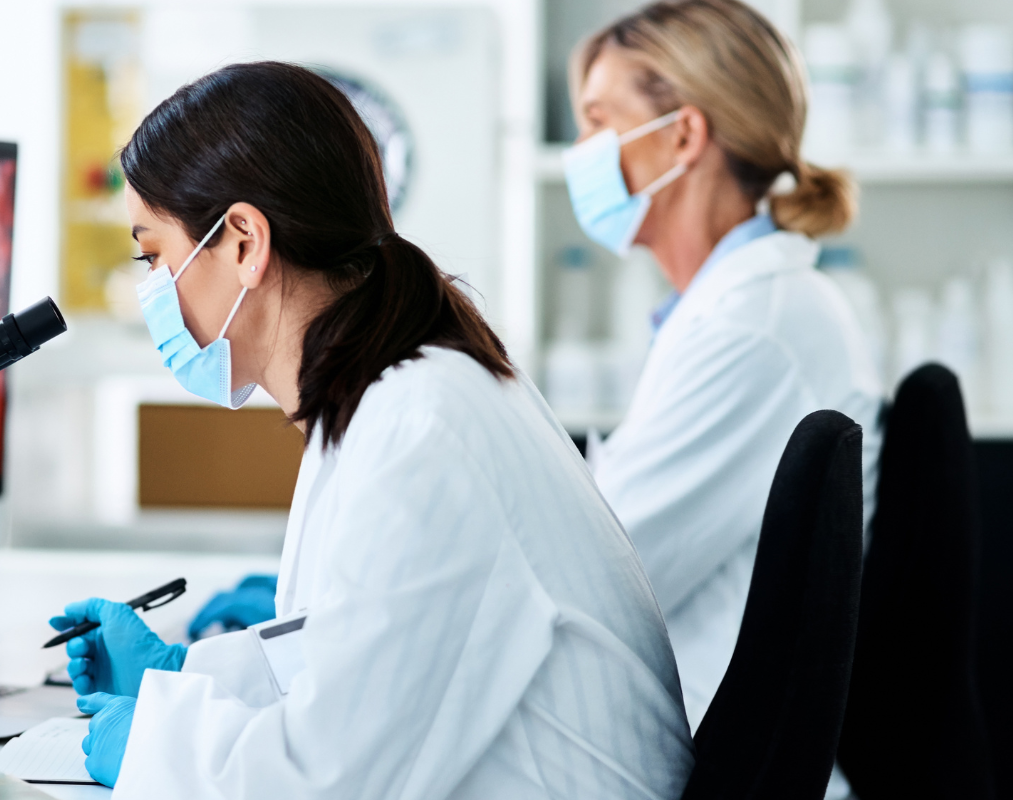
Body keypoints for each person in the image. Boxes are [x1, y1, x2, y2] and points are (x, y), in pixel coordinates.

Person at [48, 61, 694, 797]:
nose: (153, 293)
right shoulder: (391, 394)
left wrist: (154, 748)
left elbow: (328, 779)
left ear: (243, 242)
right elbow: (356, 656)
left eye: (153, 254)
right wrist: (184, 675)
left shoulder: (421, 428)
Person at [564, 0, 883, 755]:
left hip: (695, 737)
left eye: (598, 122)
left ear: (683, 135)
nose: (581, 151)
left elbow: (598, 581)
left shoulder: (751, 328)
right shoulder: (734, 307)